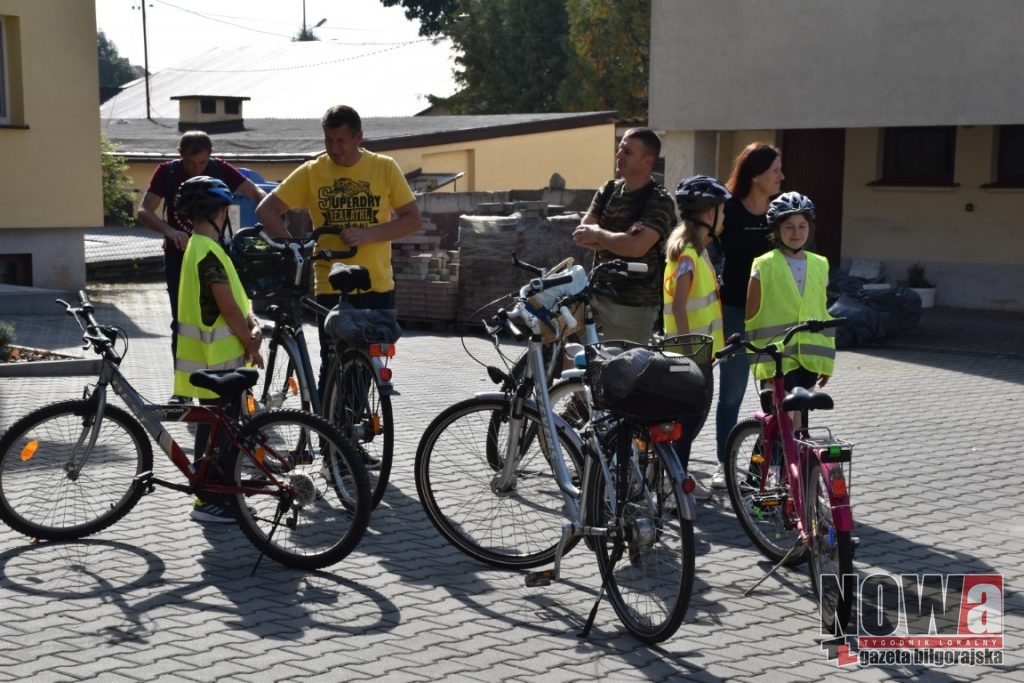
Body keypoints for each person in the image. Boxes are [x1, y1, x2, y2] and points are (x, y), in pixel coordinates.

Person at [256, 105, 421, 395]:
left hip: (376, 283)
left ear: (359, 137)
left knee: (366, 366)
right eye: (329, 141)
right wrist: (294, 245)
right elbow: (266, 210)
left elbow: (412, 219)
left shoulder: (384, 167)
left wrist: (368, 234)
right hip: (330, 282)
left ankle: (351, 429)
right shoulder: (312, 171)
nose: (335, 149)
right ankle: (330, 435)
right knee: (331, 361)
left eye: (341, 141)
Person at [137, 130, 266, 403]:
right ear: (180, 155)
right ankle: (184, 390)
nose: (196, 169)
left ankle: (232, 380)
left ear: (209, 155)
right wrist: (170, 231)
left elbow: (255, 193)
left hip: (209, 246)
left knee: (225, 309)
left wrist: (266, 227)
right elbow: (144, 211)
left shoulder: (219, 168)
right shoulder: (168, 173)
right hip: (178, 255)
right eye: (190, 163)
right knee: (185, 323)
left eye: (201, 163)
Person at [172, 176, 265, 523]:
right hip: (218, 361)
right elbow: (226, 306)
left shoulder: (201, 247)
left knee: (217, 431)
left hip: (213, 361)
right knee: (219, 433)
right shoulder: (208, 252)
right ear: (220, 213)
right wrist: (250, 341)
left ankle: (216, 496)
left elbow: (238, 300)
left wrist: (251, 322)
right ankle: (209, 501)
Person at [711, 142, 783, 488]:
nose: (781, 177)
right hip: (735, 310)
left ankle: (766, 466)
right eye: (775, 171)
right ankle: (725, 464)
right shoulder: (728, 209)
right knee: (732, 392)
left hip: (773, 315)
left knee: (773, 394)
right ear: (756, 176)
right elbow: (701, 249)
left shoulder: (779, 212)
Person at [572, 127, 676, 344]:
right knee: (571, 350)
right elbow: (582, 236)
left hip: (633, 304)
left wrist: (599, 234)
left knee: (625, 369)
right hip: (597, 293)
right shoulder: (608, 190)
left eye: (627, 152)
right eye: (619, 150)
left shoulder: (658, 200)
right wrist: (623, 240)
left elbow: (637, 248)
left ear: (648, 160)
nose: (619, 156)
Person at [663, 175, 731, 501]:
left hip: (699, 352)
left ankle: (675, 478)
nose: (725, 216)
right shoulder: (689, 253)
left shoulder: (696, 250)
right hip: (689, 353)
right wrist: (690, 349)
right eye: (722, 210)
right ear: (708, 214)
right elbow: (679, 305)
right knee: (687, 421)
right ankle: (675, 483)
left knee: (687, 421)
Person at [745, 191, 835, 397]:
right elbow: (752, 316)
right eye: (789, 227)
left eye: (802, 226)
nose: (796, 232)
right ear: (776, 230)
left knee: (799, 424)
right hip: (776, 358)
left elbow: (822, 312)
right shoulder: (764, 265)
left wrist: (826, 363)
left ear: (809, 228)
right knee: (782, 419)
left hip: (810, 358)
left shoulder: (821, 264)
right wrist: (761, 360)